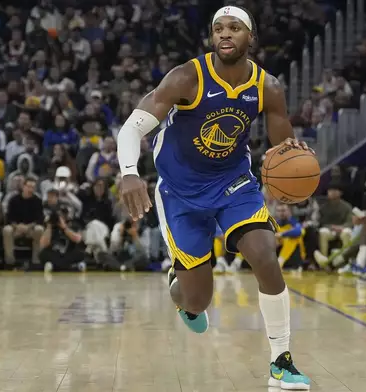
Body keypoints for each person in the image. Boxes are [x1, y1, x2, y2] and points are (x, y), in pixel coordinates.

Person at [116, 6, 311, 390]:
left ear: (249, 37)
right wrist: (128, 174)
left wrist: (293, 159)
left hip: (233, 184)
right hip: (180, 193)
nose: (225, 34)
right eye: (218, 28)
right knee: (197, 301)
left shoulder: (267, 87)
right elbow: (131, 129)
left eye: (234, 28)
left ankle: (281, 360)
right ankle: (180, 284)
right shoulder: (186, 77)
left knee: (265, 255)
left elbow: (282, 145)